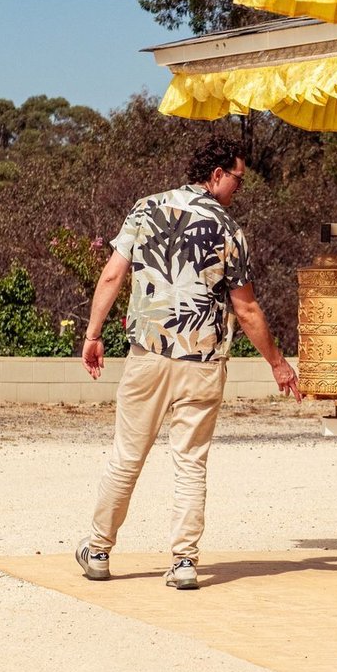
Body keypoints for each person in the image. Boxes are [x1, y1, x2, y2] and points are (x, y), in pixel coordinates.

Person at [74, 138, 299, 589]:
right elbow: (247, 309)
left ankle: (98, 550)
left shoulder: (145, 208)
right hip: (202, 359)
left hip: (148, 355)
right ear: (216, 174)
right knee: (190, 461)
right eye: (238, 178)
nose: (239, 188)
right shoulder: (228, 229)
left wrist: (93, 334)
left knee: (127, 454)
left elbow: (113, 274)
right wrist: (277, 363)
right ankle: (183, 563)